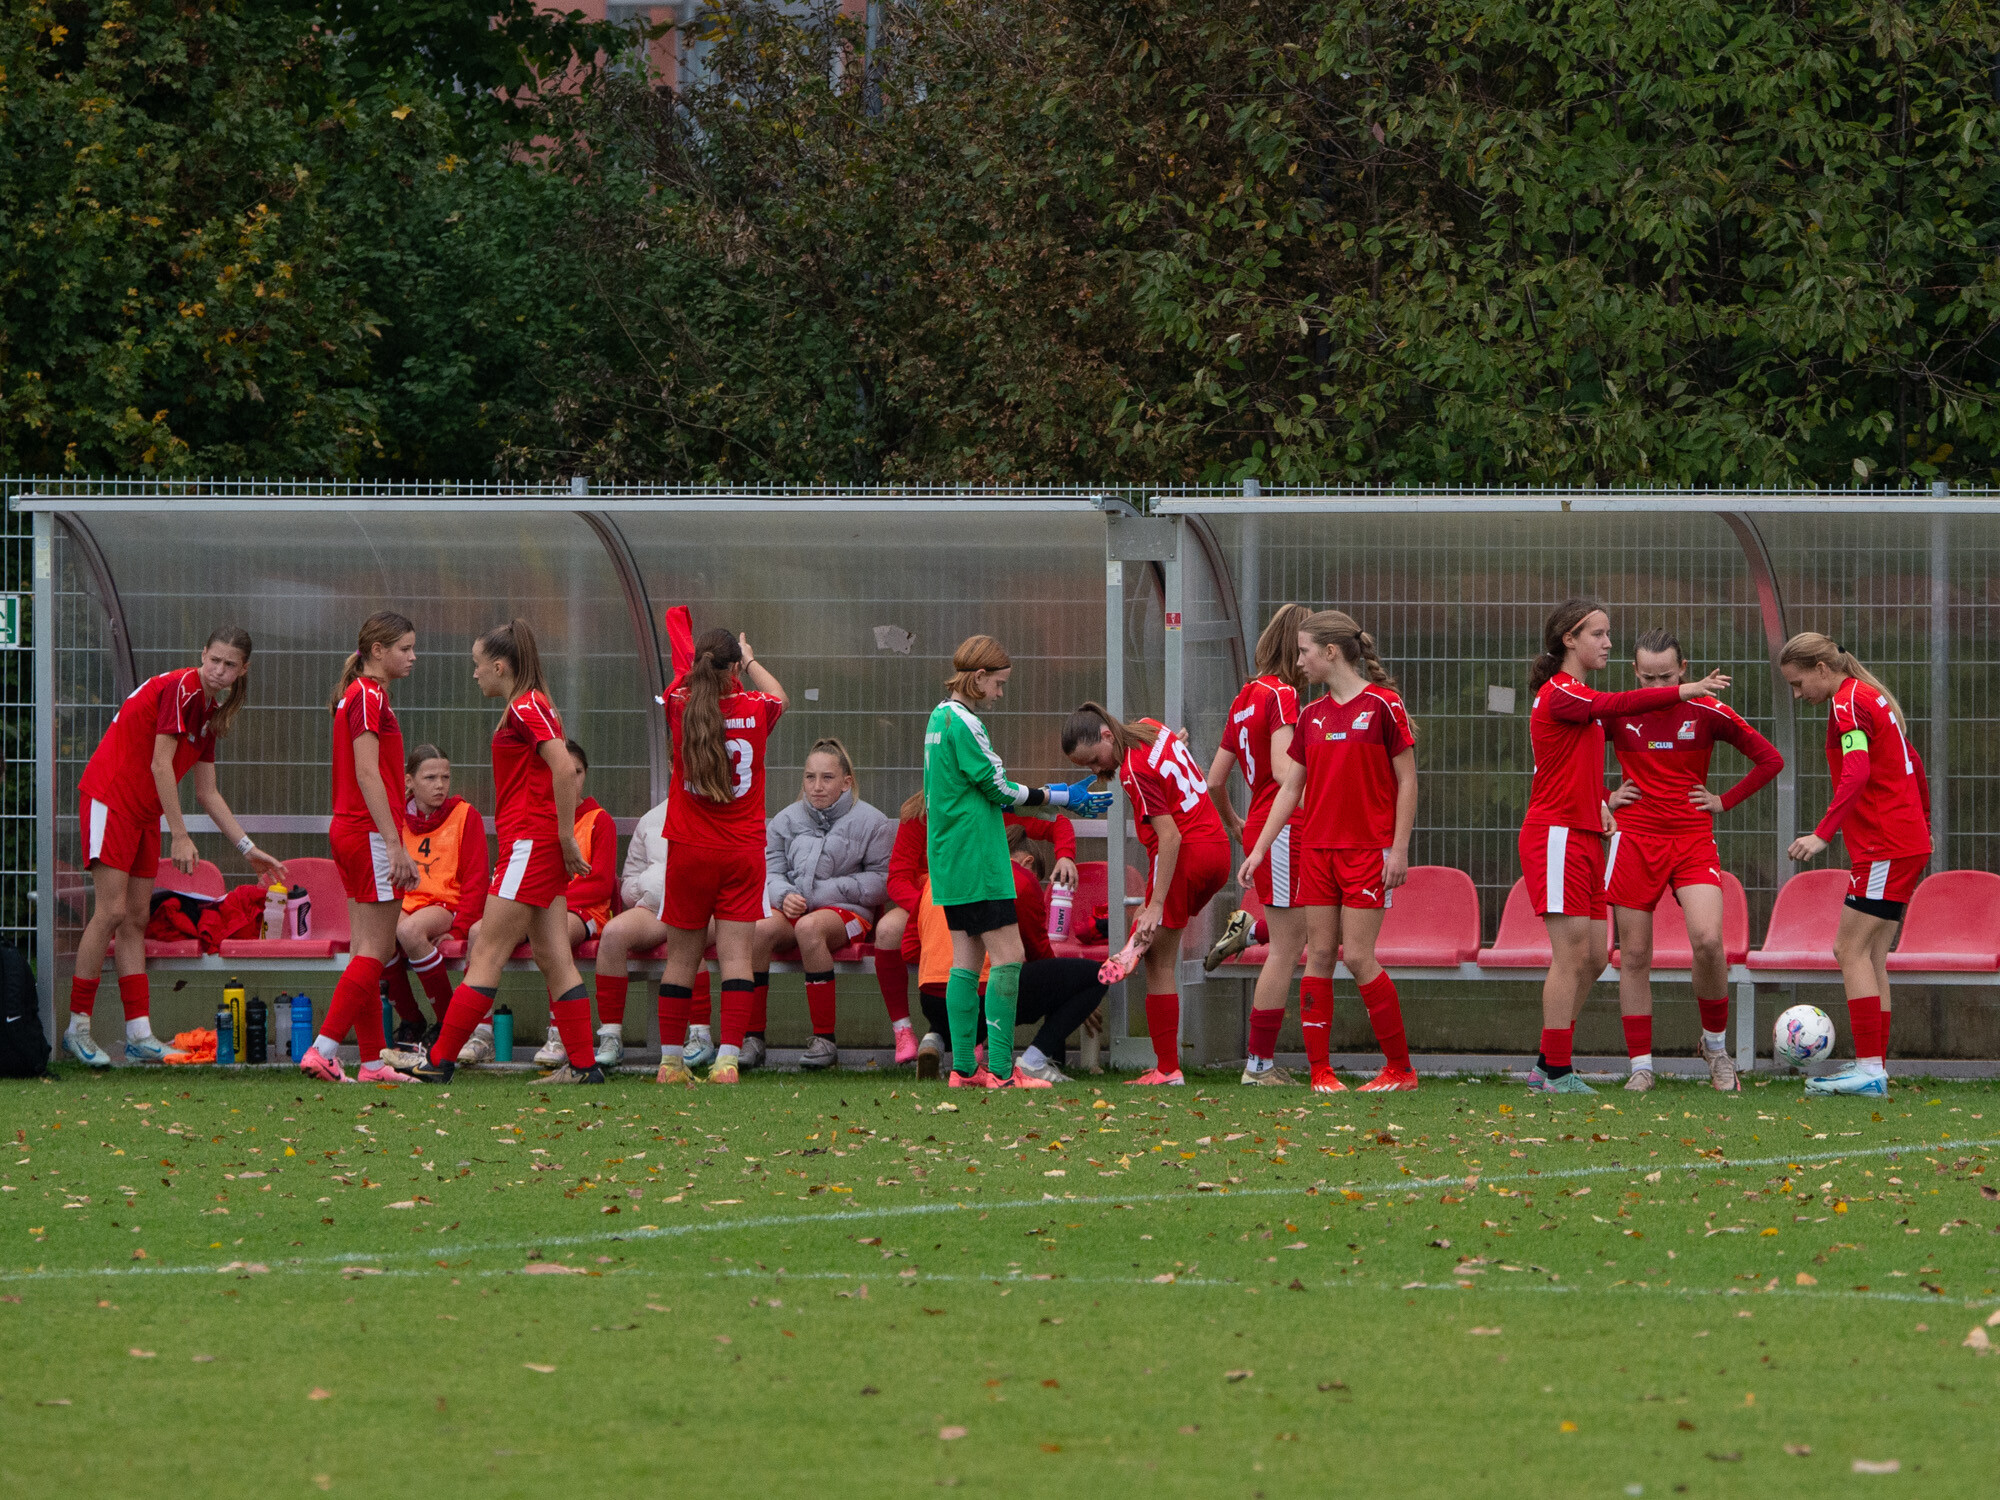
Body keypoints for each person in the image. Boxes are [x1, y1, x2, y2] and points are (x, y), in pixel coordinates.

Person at [1520, 598, 1731, 1094]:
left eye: (1608, 633)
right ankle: (1556, 1071)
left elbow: (1571, 763)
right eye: (1598, 634)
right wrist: (1683, 690)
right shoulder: (1562, 692)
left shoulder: (1582, 697)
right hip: (1556, 834)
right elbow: (1616, 707)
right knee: (1571, 956)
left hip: (1587, 835)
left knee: (1596, 956)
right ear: (1569, 639)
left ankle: (1546, 1065)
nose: (1608, 643)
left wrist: (1603, 797)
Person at [64, 626, 287, 1067]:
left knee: (136, 919)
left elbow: (208, 792)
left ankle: (139, 1035)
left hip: (144, 814)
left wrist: (247, 848)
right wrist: (180, 834)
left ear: (243, 670)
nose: (218, 670)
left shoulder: (210, 711)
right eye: (214, 659)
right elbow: (160, 764)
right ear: (202, 654)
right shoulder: (184, 687)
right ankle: (78, 1027)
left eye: (229, 664)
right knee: (110, 912)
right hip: (111, 800)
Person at [412, 619, 599, 1084]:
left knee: (487, 954)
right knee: (555, 957)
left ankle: (439, 1061)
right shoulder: (529, 704)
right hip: (534, 846)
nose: (474, 673)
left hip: (529, 846)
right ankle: (584, 1067)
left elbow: (563, 769)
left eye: (478, 664)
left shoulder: (526, 706)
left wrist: (564, 836)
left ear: (499, 666)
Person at [1240, 610, 1419, 1092]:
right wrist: (1259, 850)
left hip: (1367, 852)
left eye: (1304, 651)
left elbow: (1407, 781)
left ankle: (1401, 1070)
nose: (1299, 661)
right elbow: (1290, 788)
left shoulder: (1383, 705)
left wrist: (1398, 849)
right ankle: (1321, 1072)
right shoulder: (1311, 715)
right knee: (1317, 954)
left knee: (1358, 957)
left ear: (1331, 652)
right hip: (1316, 854)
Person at [924, 634, 1109, 1089]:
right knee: (1010, 959)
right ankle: (1004, 1072)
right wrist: (1058, 796)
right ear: (978, 677)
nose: (1000, 693)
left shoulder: (937, 718)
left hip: (949, 859)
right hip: (979, 858)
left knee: (966, 963)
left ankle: (964, 1070)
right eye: (999, 683)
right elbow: (1000, 788)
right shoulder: (965, 723)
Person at [1605, 630, 1783, 1093]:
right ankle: (1641, 1066)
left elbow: (1770, 760)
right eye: (1647, 677)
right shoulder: (1618, 710)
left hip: (1691, 838)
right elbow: (1564, 755)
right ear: (1634, 672)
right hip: (1634, 840)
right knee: (1634, 954)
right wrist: (1604, 796)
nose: (1657, 685)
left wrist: (1723, 800)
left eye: (1666, 676)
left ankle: (1715, 1049)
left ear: (1683, 670)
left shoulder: (1706, 709)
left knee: (1708, 941)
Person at [1779, 632, 1930, 1099]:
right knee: (1871, 956)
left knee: (1848, 950)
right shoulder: (1869, 696)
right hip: (1901, 841)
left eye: (1798, 683)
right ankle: (1874, 1067)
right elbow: (1913, 761)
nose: (1798, 694)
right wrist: (1923, 822)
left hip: (1885, 844)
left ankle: (1868, 1070)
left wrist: (1822, 833)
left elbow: (1858, 769)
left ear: (1822, 669)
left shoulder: (1848, 702)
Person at [1062, 701, 1230, 1087]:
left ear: (1107, 735)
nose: (1096, 770)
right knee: (1153, 940)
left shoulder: (1132, 771)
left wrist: (1154, 905)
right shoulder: (1151, 728)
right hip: (1216, 850)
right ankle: (1136, 941)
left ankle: (1167, 1069)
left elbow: (1170, 837)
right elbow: (1172, 764)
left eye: (1094, 760)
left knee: (1158, 961)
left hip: (1188, 856)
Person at [656, 627, 788, 1086]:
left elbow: (676, 689)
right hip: (741, 852)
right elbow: (781, 696)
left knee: (680, 960)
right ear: (734, 668)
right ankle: (728, 1062)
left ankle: (670, 1064)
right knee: (735, 959)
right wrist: (750, 660)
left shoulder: (679, 705)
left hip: (689, 850)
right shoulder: (755, 707)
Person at [302, 612, 422, 1083]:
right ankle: (323, 1049)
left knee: (364, 950)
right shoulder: (368, 696)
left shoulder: (360, 695)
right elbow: (368, 772)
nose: (412, 657)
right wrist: (394, 843)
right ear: (377, 651)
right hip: (367, 832)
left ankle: (372, 1062)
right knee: (377, 947)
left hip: (351, 831)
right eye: (405, 649)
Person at [879, 788, 1079, 1068]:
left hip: (968, 901)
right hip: (929, 899)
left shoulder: (991, 809)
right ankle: (903, 1029)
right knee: (887, 929)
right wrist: (931, 906)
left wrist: (1065, 856)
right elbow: (898, 878)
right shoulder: (919, 814)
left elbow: (1058, 823)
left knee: (983, 937)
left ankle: (960, 1041)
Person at [1201, 604, 1313, 1074]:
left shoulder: (1245, 696)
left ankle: (1249, 931)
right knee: (1288, 949)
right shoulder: (1283, 694)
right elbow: (1287, 772)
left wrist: (1235, 823)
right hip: (1284, 827)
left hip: (1261, 825)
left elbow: (1213, 780)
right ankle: (1259, 1066)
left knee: (1314, 927)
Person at [905, 828, 1106, 1083]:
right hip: (983, 995)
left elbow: (909, 947)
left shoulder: (938, 876)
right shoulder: (1018, 877)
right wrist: (1068, 990)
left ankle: (934, 1039)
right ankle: (1032, 1061)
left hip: (930, 998)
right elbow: (1038, 951)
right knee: (1096, 974)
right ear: (1027, 861)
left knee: (961, 982)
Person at [754, 738, 895, 1070]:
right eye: (810, 777)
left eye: (827, 778)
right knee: (759, 930)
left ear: (846, 782)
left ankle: (824, 1041)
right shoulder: (785, 820)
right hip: (795, 909)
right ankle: (752, 1038)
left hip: (850, 914)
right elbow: (769, 871)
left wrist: (826, 891)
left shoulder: (873, 821)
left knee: (809, 928)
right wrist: (783, 895)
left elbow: (882, 882)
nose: (816, 786)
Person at [378, 744, 490, 1070]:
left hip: (445, 904)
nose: (440, 785)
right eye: (430, 778)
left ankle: (447, 1021)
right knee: (381, 935)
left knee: (409, 930)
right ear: (409, 781)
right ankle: (412, 1020)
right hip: (404, 901)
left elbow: (476, 880)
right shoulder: (396, 817)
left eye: (445, 777)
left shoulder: (465, 815)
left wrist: (460, 928)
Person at [592, 796, 721, 1069]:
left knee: (685, 939)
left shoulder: (721, 811)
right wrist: (647, 884)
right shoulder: (651, 819)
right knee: (613, 933)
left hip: (708, 911)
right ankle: (611, 1037)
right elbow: (629, 883)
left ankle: (700, 1036)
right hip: (656, 908)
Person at [528, 740, 622, 1068]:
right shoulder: (536, 819)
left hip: (585, 912)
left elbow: (600, 884)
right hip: (539, 906)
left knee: (556, 934)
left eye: (577, 772)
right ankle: (480, 1032)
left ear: (585, 775)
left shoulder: (599, 820)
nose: (569, 779)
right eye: (561, 772)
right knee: (481, 932)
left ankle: (559, 1033)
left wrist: (552, 901)